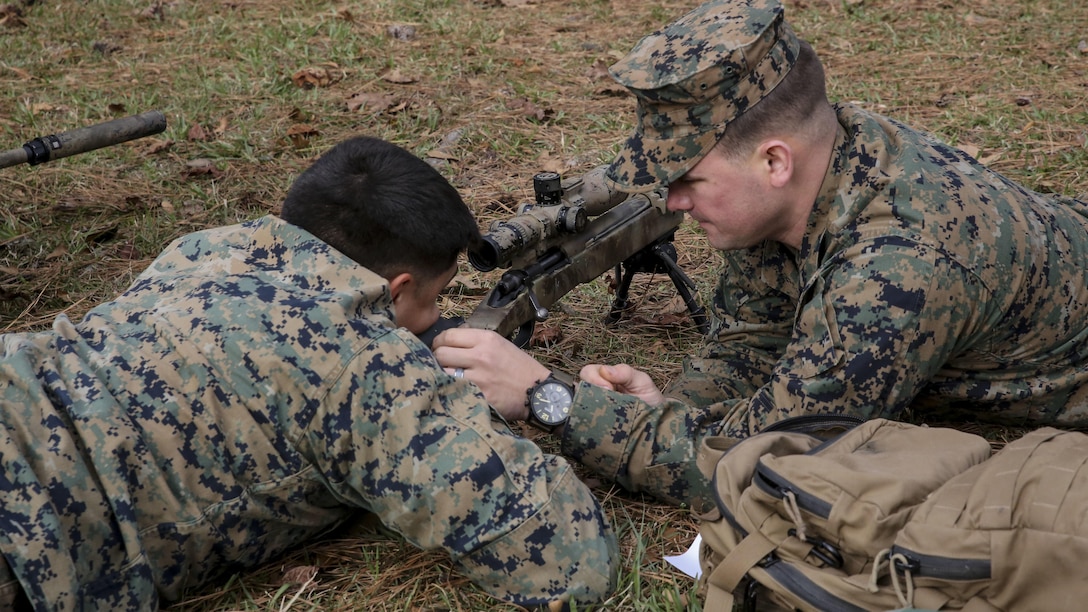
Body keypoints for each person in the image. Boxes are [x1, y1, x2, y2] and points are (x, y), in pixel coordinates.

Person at [432, 0, 1088, 509]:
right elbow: (750, 337)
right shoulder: (812, 168)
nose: (672, 201)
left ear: (774, 161)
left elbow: (757, 465)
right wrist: (674, 413)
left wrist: (551, 398)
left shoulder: (896, 269)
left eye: (687, 179)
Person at [0, 136, 618, 611]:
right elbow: (573, 564)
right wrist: (542, 396)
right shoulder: (364, 367)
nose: (432, 318)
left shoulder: (203, 249)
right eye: (435, 299)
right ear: (399, 288)